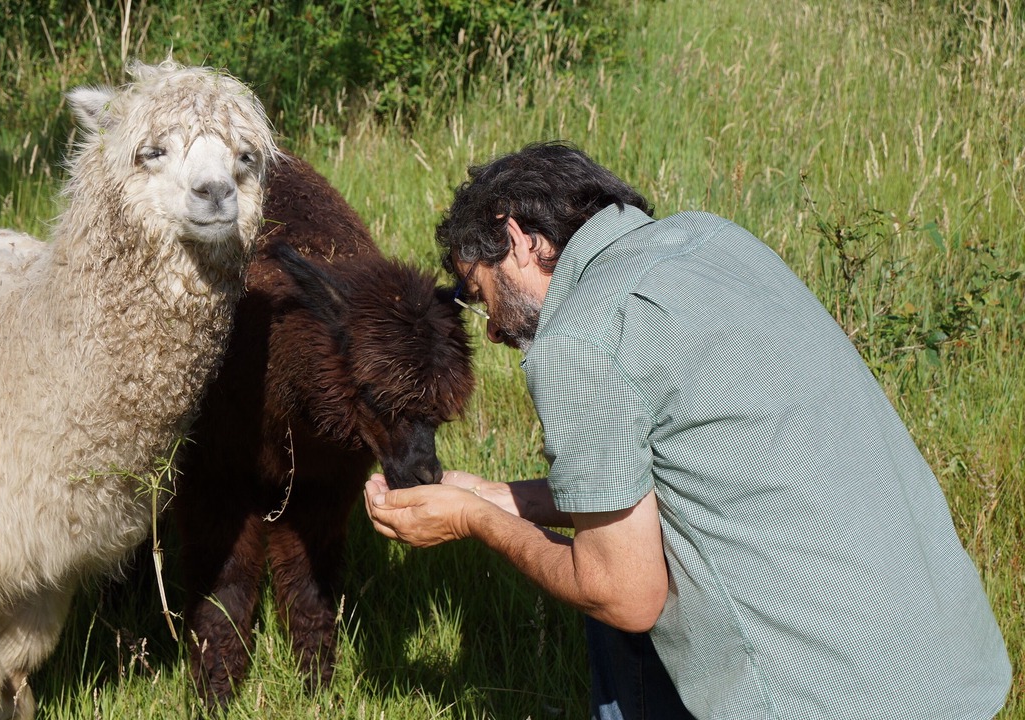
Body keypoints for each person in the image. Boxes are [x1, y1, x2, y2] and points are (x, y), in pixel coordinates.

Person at [363, 141, 1012, 720]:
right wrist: (493, 495)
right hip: (954, 674)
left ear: (518, 238)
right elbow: (695, 468)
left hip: (821, 701)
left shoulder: (581, 338)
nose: (495, 330)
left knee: (608, 594)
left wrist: (477, 524)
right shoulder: (714, 244)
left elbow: (623, 595)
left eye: (481, 295)